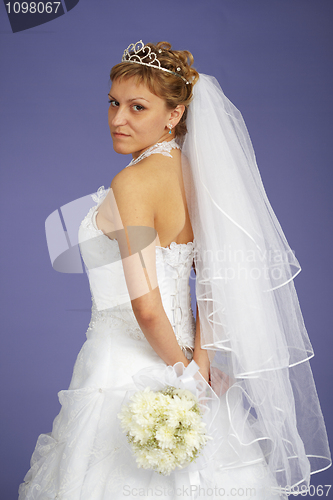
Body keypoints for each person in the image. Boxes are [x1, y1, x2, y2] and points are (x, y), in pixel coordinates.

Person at [19, 41, 331, 500]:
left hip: (127, 367)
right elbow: (216, 284)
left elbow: (145, 308)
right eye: (113, 103)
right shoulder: (199, 177)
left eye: (137, 107)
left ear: (174, 114)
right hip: (188, 362)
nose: (117, 119)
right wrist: (200, 370)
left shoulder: (134, 182)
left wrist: (184, 377)